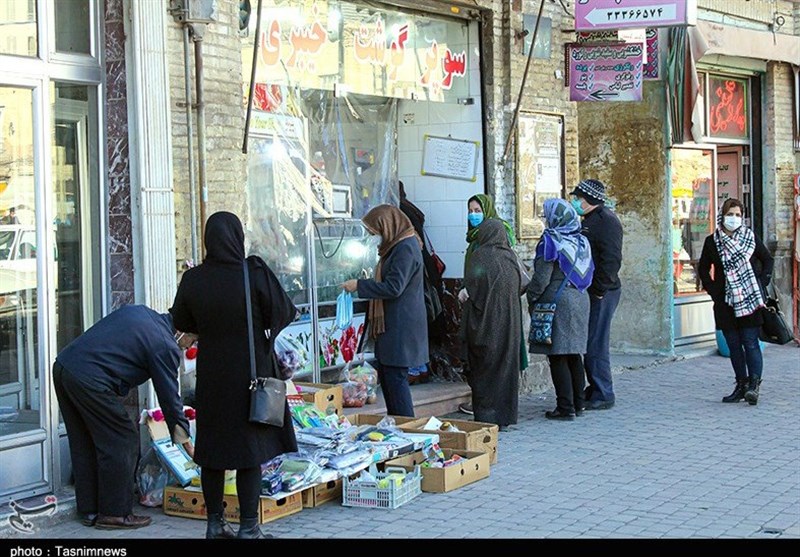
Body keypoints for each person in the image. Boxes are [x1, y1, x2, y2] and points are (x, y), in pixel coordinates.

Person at [170, 211, 299, 539]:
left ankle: (215, 525)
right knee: (248, 454)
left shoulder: (193, 279)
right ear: (238, 237)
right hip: (249, 375)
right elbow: (284, 310)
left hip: (212, 376)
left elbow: (182, 320)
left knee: (212, 453)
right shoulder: (252, 272)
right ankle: (248, 528)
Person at [52, 304, 195, 530]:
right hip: (91, 379)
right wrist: (187, 444)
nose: (190, 346)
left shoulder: (143, 313)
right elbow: (170, 399)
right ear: (182, 332)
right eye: (192, 340)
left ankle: (89, 509)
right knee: (123, 439)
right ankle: (114, 514)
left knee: (85, 440)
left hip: (64, 367)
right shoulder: (165, 345)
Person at [342, 204, 427, 417]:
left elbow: (394, 287)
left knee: (396, 381)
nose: (374, 237)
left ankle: (406, 427)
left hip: (401, 326)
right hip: (393, 326)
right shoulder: (395, 246)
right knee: (390, 380)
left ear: (387, 226)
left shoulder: (405, 248)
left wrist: (359, 285)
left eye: (375, 231)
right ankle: (397, 425)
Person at [698, 198, 774, 405]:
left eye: (738, 215)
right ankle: (741, 385)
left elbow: (767, 260)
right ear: (722, 216)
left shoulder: (750, 237)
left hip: (749, 299)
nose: (734, 218)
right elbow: (703, 268)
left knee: (750, 342)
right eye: (730, 214)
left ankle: (753, 386)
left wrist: (761, 283)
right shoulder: (712, 241)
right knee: (733, 344)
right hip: (725, 302)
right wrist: (714, 291)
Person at [526, 199, 595, 420]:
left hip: (558, 303)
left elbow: (542, 278)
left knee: (557, 355)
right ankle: (579, 404)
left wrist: (531, 296)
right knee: (574, 354)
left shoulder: (551, 240)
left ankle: (565, 408)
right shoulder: (582, 241)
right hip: (581, 300)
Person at [458, 193, 526, 415]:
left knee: (485, 369)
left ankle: (487, 414)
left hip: (486, 324)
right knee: (505, 369)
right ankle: (505, 414)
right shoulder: (509, 258)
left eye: (477, 211)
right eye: (470, 211)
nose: (473, 215)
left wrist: (467, 293)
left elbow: (474, 288)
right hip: (509, 324)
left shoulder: (480, 255)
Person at [570, 179, 623, 411]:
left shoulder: (606, 221)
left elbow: (612, 259)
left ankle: (603, 392)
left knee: (596, 343)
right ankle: (594, 387)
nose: (575, 202)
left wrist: (600, 290)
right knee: (590, 341)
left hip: (603, 292)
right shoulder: (590, 220)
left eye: (578, 198)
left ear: (589, 199)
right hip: (594, 290)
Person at [399, 181, 442, 384]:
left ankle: (415, 368)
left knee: (411, 322)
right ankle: (421, 367)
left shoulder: (401, 211)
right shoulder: (411, 208)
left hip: (415, 271)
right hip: (422, 269)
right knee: (418, 320)